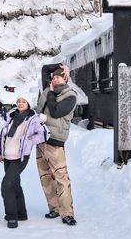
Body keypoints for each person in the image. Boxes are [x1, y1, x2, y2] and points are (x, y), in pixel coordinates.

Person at [0, 93, 49, 229]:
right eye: (18, 101)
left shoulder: (33, 119)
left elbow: (44, 134)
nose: (20, 103)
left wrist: (30, 141)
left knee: (6, 185)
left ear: (28, 104)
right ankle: (22, 213)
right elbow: (4, 135)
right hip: (7, 156)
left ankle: (12, 216)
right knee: (14, 185)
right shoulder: (11, 116)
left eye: (23, 101)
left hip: (20, 158)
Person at [35, 63, 78, 226]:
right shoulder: (49, 86)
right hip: (40, 140)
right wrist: (63, 66)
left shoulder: (70, 96)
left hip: (55, 143)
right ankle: (54, 208)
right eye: (54, 77)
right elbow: (45, 68)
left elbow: (55, 111)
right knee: (45, 177)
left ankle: (67, 213)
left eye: (59, 76)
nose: (54, 78)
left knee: (61, 178)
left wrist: (51, 93)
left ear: (65, 79)